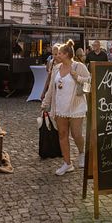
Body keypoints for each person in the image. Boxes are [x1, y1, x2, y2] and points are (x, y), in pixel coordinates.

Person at [42, 40, 91, 175]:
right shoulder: (56, 68)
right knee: (62, 135)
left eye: (59, 54)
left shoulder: (79, 66)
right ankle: (67, 163)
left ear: (66, 54)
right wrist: (45, 103)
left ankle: (81, 153)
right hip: (60, 107)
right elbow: (52, 88)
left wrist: (78, 78)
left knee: (76, 134)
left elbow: (89, 84)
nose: (56, 56)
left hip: (76, 107)